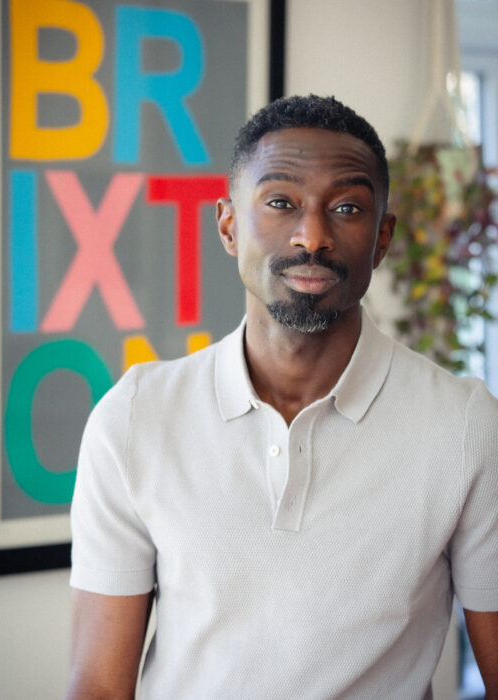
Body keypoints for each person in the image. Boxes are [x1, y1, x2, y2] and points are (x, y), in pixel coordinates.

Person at [66, 94, 498, 699]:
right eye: (280, 202)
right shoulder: (136, 416)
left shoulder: (465, 426)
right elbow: (97, 687)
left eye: (347, 208)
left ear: (381, 239)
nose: (312, 237)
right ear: (228, 226)